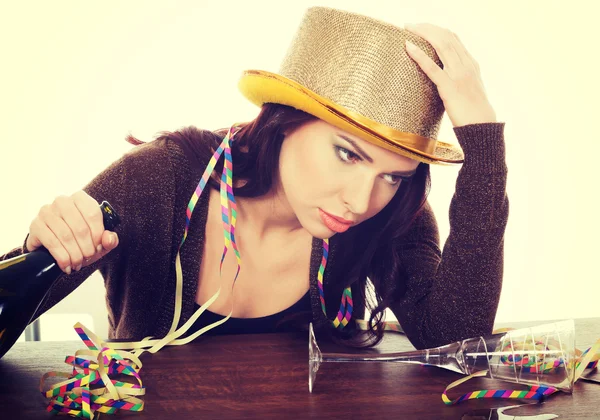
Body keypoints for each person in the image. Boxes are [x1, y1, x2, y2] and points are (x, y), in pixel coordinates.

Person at [1, 7, 507, 350]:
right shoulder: (163, 179)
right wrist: (40, 249)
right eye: (347, 154)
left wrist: (483, 143)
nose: (360, 200)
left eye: (393, 176)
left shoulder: (393, 216)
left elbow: (456, 340)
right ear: (284, 119)